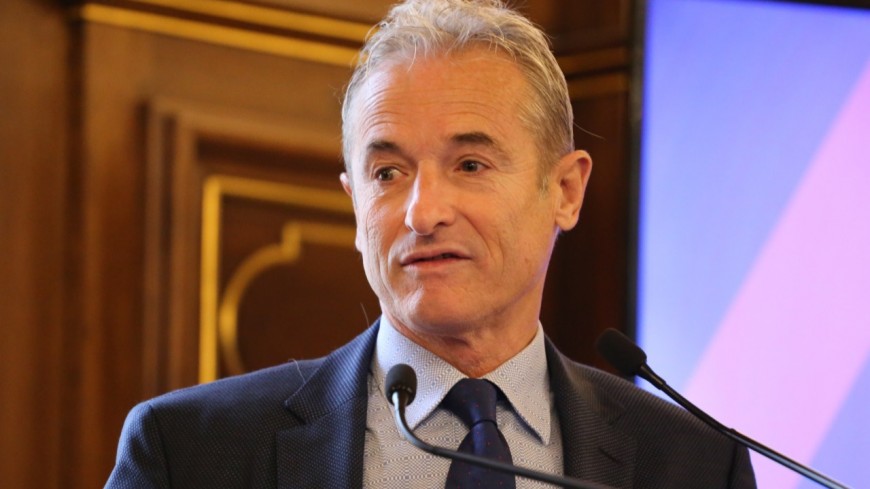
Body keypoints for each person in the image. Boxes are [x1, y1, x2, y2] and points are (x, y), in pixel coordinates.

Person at [105, 1, 756, 488]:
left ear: (565, 191)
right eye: (388, 174)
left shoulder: (693, 465)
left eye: (470, 164)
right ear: (355, 203)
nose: (422, 212)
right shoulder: (189, 452)